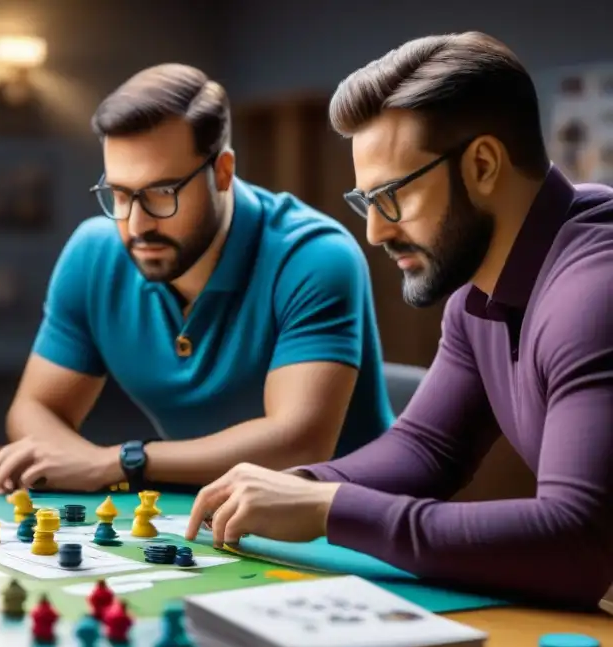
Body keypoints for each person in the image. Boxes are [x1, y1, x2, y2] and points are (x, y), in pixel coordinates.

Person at [185, 32, 613, 610]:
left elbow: (575, 541)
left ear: (483, 165)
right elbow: (427, 450)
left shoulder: (594, 292)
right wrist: (302, 485)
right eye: (367, 203)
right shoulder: (478, 294)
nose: (376, 232)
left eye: (392, 197)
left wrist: (330, 509)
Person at [0, 64, 393, 494]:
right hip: (206, 517)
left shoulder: (315, 256)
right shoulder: (93, 253)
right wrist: (83, 464)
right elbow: (33, 409)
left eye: (162, 193)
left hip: (345, 524)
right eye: (120, 194)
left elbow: (299, 444)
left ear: (223, 172)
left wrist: (119, 463)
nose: (137, 225)